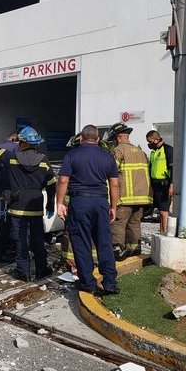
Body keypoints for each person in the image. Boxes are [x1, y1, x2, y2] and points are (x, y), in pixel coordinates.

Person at [56, 125, 120, 295]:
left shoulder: (72, 155)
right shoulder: (108, 157)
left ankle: (87, 282)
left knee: (81, 242)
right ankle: (110, 283)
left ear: (81, 138)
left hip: (79, 202)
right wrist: (113, 206)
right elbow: (114, 184)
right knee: (104, 242)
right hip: (100, 202)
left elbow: (63, 180)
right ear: (98, 139)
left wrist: (60, 203)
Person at [0, 126, 55, 281]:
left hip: (17, 206)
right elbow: (52, 185)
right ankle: (42, 269)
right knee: (38, 240)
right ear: (36, 143)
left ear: (22, 142)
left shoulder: (12, 158)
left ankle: (23, 272)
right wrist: (50, 205)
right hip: (36, 206)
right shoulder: (44, 161)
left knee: (21, 241)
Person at [105, 123, 152, 260]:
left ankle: (117, 251)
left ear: (118, 138)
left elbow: (111, 174)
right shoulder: (141, 152)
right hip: (142, 197)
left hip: (125, 197)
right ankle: (135, 251)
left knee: (118, 224)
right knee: (134, 224)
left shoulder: (118, 151)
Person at [0, 132, 19, 263]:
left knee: (4, 221)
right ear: (16, 139)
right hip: (14, 190)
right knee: (16, 223)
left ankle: (1, 252)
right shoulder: (16, 148)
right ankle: (10, 251)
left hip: (2, 191)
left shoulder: (0, 147)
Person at [146, 130, 174, 234]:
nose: (149, 144)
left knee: (164, 211)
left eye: (150, 141)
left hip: (165, 184)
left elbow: (173, 168)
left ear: (157, 139)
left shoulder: (167, 150)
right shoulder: (154, 152)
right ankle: (162, 231)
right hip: (155, 185)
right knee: (160, 211)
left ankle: (165, 231)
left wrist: (172, 184)